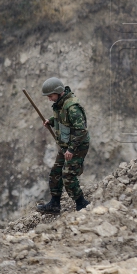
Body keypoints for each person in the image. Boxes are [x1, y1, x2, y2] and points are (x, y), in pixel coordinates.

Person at [36, 77, 91, 214]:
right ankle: (54, 204)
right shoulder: (60, 104)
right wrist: (52, 121)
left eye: (50, 96)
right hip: (66, 145)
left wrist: (71, 149)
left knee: (68, 175)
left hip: (77, 145)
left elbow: (81, 130)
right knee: (56, 173)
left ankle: (81, 203)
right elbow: (63, 119)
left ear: (59, 92)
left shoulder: (72, 107)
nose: (49, 99)